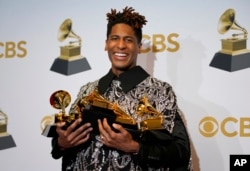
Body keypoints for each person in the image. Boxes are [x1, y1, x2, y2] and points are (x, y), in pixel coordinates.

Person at [51, 6, 192, 171]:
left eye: (128, 40)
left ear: (139, 46)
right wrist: (61, 143)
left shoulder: (160, 91)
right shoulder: (87, 91)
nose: (121, 45)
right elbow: (61, 145)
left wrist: (135, 147)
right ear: (106, 44)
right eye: (115, 38)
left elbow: (180, 151)